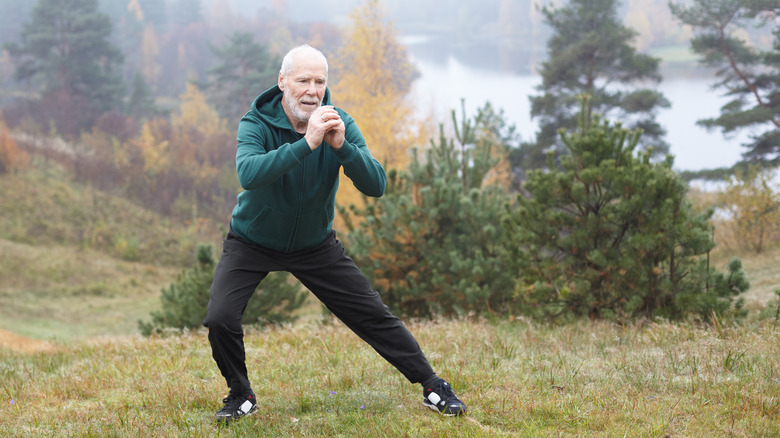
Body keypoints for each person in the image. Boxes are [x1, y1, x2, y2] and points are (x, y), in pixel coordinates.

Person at [202, 44, 467, 423]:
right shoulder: (255, 123)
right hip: (251, 241)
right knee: (220, 318)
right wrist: (306, 143)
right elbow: (249, 174)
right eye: (303, 80)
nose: (312, 90)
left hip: (314, 245)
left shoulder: (339, 121)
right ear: (282, 83)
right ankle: (240, 393)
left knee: (373, 315)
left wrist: (342, 147)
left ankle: (431, 385)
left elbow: (376, 185)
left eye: (320, 82)